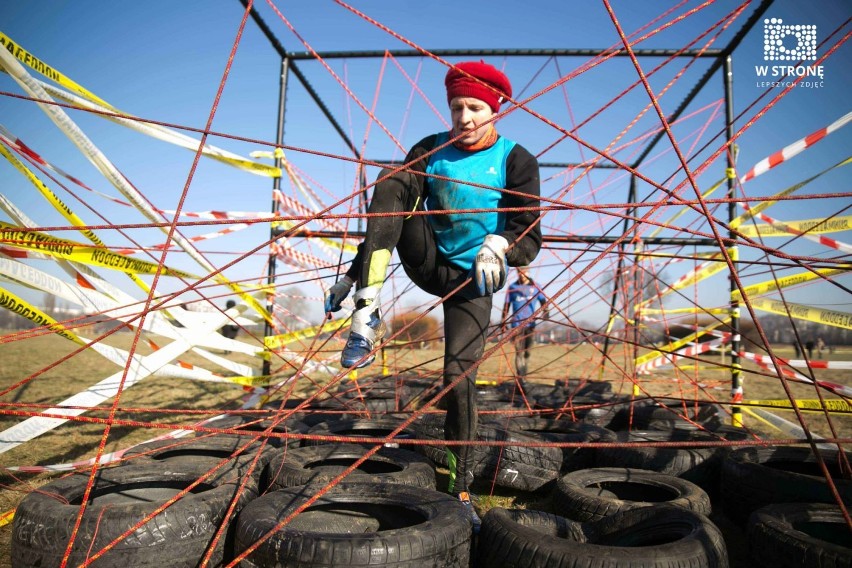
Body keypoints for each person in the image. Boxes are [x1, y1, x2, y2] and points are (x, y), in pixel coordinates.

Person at [324, 61, 541, 532]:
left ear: (495, 110)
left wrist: (501, 243)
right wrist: (350, 275)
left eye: (475, 108)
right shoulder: (431, 149)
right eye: (457, 107)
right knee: (395, 177)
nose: (464, 117)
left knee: (458, 376)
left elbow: (530, 234)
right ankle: (367, 308)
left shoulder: (516, 159)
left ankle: (460, 483)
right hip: (429, 261)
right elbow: (392, 210)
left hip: (475, 281)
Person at [501, 266, 548, 382]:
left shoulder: (536, 286)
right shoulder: (512, 287)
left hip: (530, 325)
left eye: (524, 272)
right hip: (516, 325)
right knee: (519, 352)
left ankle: (524, 373)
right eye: (519, 272)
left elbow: (544, 302)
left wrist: (546, 312)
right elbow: (506, 306)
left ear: (528, 272)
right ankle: (521, 377)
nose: (522, 275)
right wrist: (503, 321)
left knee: (527, 352)